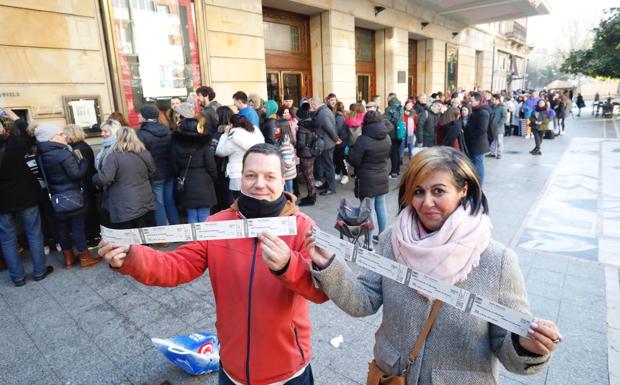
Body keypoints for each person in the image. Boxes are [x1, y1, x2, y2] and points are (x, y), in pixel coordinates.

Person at [306, 146, 561, 385]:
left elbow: (508, 349)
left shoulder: (498, 260)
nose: (426, 203)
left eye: (438, 191)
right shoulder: (391, 240)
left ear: (463, 190)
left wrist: (526, 345)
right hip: (393, 376)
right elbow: (364, 301)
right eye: (418, 191)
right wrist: (329, 263)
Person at [98, 143, 328, 385]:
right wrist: (131, 256)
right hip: (232, 368)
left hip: (288, 370)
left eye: (269, 176)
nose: (259, 183)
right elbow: (175, 266)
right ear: (241, 178)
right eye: (251, 175)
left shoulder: (303, 226)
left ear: (283, 180)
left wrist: (288, 266)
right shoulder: (217, 224)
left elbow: (320, 291)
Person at [35, 123, 101, 269]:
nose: (64, 136)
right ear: (51, 137)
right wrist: (84, 163)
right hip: (73, 195)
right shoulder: (62, 153)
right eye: (60, 134)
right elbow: (76, 174)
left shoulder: (40, 154)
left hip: (56, 197)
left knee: (62, 228)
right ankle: (85, 258)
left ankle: (69, 259)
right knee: (77, 227)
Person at [0, 109, 51, 286]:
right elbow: (30, 133)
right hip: (25, 196)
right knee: (34, 233)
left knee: (7, 239)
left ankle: (18, 278)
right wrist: (14, 117)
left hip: (2, 202)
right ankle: (39, 271)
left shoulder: (11, 143)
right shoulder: (13, 144)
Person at [93, 127, 156, 229]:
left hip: (124, 202)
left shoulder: (113, 156)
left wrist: (95, 177)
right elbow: (152, 172)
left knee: (128, 235)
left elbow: (105, 178)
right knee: (142, 230)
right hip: (145, 197)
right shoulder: (144, 152)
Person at [347, 111, 391, 243]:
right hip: (382, 174)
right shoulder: (387, 137)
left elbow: (354, 161)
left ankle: (369, 241)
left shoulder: (363, 139)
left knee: (367, 209)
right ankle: (383, 237)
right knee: (381, 206)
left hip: (366, 177)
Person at [137, 105, 180, 227]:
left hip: (155, 173)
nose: (138, 116)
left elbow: (142, 156)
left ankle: (163, 234)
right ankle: (176, 227)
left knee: (159, 203)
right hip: (169, 171)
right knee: (169, 200)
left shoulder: (141, 134)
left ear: (145, 117)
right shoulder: (166, 130)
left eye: (140, 114)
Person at [171, 118, 218, 223]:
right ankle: (204, 238)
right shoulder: (204, 143)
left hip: (185, 180)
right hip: (203, 181)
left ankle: (193, 239)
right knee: (204, 214)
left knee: (191, 214)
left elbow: (175, 167)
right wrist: (214, 177)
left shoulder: (176, 144)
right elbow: (211, 165)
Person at [64, 124, 100, 247]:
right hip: (89, 181)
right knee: (90, 210)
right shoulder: (83, 146)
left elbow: (80, 168)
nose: (63, 137)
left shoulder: (77, 149)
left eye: (65, 134)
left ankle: (93, 236)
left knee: (88, 211)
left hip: (84, 183)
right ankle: (94, 234)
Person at [215, 114, 264, 199]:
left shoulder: (233, 137)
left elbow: (220, 152)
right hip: (254, 170)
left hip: (237, 173)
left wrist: (225, 135)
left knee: (239, 201)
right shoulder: (256, 133)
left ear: (231, 125)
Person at [309, 97, 340, 196]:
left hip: (326, 143)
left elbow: (329, 128)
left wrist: (336, 139)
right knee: (327, 164)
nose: (310, 108)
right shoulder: (325, 109)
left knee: (328, 166)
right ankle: (328, 185)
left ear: (314, 105)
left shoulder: (322, 113)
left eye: (310, 106)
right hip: (328, 142)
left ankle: (331, 188)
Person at [464, 92, 490, 184]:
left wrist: (471, 136)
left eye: (472, 101)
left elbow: (482, 129)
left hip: (478, 144)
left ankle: (479, 186)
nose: (470, 103)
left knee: (478, 165)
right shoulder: (476, 110)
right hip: (473, 144)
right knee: (474, 165)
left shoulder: (483, 112)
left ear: (478, 101)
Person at [296, 118, 318, 206]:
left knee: (308, 176)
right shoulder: (311, 127)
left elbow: (300, 144)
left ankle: (311, 197)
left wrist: (294, 144)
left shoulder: (302, 129)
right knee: (310, 175)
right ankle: (312, 195)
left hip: (305, 154)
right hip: (312, 153)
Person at [274, 119, 297, 194]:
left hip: (286, 174)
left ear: (282, 128)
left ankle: (290, 205)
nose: (274, 128)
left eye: (277, 127)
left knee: (288, 193)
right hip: (287, 173)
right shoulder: (283, 139)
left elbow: (287, 163)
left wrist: (280, 171)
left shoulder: (284, 143)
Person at [385, 95, 404, 178]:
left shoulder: (389, 109)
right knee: (397, 152)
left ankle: (394, 172)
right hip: (400, 132)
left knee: (393, 153)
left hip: (392, 133)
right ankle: (398, 170)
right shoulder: (401, 108)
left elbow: (387, 121)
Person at [332, 101, 349, 185]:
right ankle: (338, 173)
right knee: (339, 157)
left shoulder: (338, 117)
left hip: (340, 140)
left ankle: (345, 174)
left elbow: (337, 129)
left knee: (340, 158)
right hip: (343, 139)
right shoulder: (344, 115)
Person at [488, 94, 507, 159]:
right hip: (492, 126)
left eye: (493, 99)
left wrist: (499, 124)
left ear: (497, 100)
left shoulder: (502, 107)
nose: (492, 101)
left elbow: (504, 118)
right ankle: (492, 153)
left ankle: (499, 154)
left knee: (499, 141)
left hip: (499, 127)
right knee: (493, 140)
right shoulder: (491, 106)